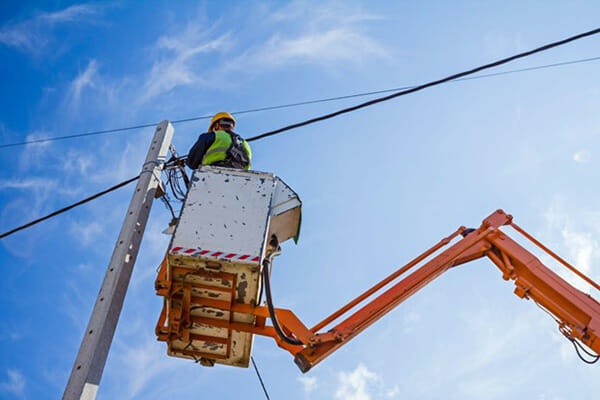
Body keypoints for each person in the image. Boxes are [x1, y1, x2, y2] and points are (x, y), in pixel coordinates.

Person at [186, 112, 252, 170]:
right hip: (242, 180)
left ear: (216, 125)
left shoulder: (212, 136)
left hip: (212, 175)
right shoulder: (245, 144)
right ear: (232, 126)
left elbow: (192, 162)